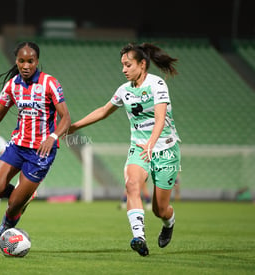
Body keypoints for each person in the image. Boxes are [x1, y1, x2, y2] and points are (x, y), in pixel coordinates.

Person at [0, 41, 71, 253]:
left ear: (37, 61)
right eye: (21, 61)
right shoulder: (12, 85)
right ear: (16, 61)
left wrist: (53, 137)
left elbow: (66, 118)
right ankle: (23, 195)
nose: (26, 65)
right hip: (17, 146)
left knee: (14, 204)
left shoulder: (50, 83)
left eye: (30, 61)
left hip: (40, 153)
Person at [67, 42, 181, 256]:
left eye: (128, 65)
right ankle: (139, 237)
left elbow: (160, 118)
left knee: (160, 210)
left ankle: (169, 223)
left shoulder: (157, 85)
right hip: (139, 148)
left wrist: (152, 143)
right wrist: (73, 127)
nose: (123, 69)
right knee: (132, 184)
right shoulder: (124, 91)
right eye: (122, 65)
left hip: (165, 150)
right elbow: (103, 111)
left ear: (142, 64)